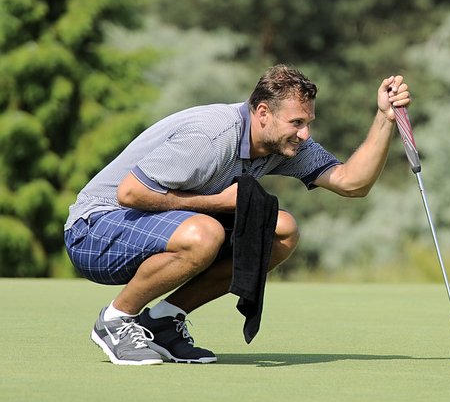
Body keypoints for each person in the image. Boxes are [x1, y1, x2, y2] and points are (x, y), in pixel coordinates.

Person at [63, 64, 411, 365]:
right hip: (93, 229)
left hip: (148, 226)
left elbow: (353, 183)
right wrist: (218, 204)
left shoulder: (286, 145)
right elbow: (130, 193)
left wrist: (384, 118)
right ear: (263, 113)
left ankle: (164, 321)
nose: (305, 133)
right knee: (205, 233)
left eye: (308, 122)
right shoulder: (211, 136)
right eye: (296, 122)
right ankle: (116, 319)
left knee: (282, 230)